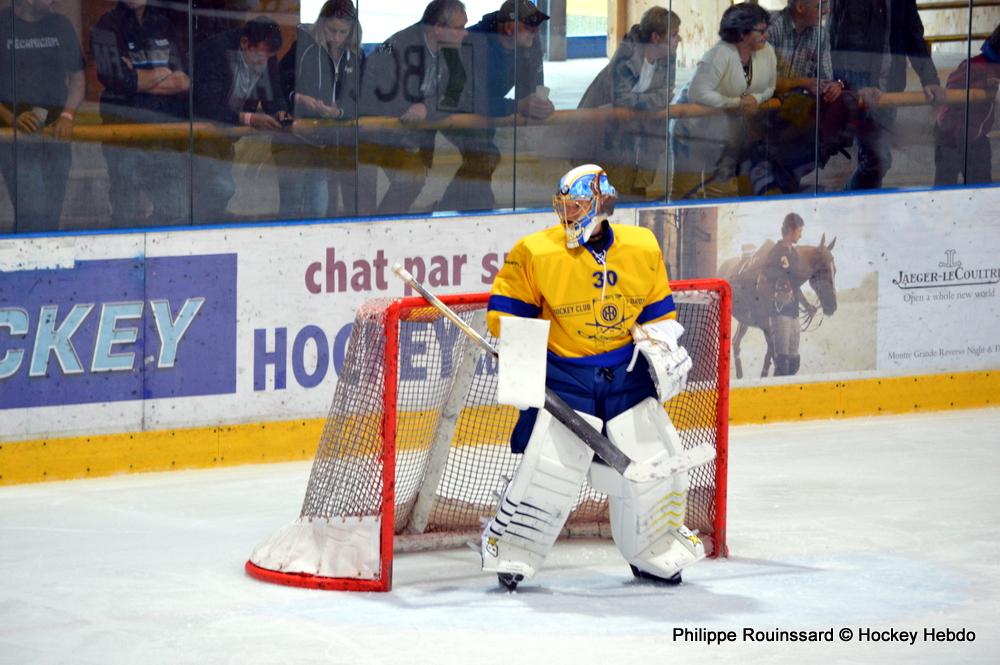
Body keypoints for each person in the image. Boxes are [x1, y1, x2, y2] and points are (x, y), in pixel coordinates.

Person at [481, 164, 699, 590]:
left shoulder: (642, 245)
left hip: (627, 378)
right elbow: (504, 317)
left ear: (601, 205)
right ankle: (513, 550)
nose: (567, 214)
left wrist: (661, 350)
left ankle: (653, 550)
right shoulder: (535, 251)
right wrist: (517, 352)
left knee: (653, 466)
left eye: (577, 205)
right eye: (563, 205)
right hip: (567, 380)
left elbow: (659, 316)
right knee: (547, 473)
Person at [358, 0, 470, 216]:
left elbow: (460, 94)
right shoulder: (399, 47)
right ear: (438, 27)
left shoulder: (452, 50)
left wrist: (427, 108)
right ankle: (370, 233)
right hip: (370, 134)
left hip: (406, 137)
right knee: (363, 204)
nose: (465, 34)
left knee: (413, 178)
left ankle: (384, 227)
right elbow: (380, 98)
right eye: (459, 28)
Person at [441, 0, 555, 211]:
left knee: (483, 160)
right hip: (451, 104)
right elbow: (474, 102)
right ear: (509, 28)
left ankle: (466, 208)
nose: (536, 31)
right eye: (530, 26)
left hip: (484, 104)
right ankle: (455, 208)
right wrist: (519, 106)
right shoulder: (473, 42)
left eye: (537, 26)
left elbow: (531, 92)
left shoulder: (529, 40)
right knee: (485, 155)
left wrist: (540, 105)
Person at [91, 0, 190, 228]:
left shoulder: (163, 24)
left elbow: (184, 80)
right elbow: (118, 81)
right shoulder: (107, 26)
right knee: (125, 211)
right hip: (126, 135)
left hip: (165, 132)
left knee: (175, 210)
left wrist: (138, 76)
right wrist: (163, 74)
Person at [829, 0, 945, 190]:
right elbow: (844, 39)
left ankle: (862, 205)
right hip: (859, 85)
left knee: (876, 159)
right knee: (878, 157)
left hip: (889, 85)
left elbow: (913, 33)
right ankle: (850, 201)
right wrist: (861, 86)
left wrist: (929, 78)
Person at [274, 0, 372, 218]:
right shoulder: (303, 47)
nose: (335, 37)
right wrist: (298, 99)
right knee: (292, 206)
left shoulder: (357, 55)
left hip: (330, 143)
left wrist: (340, 112)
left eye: (342, 32)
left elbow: (361, 96)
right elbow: (278, 84)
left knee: (319, 208)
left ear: (352, 30)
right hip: (296, 139)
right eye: (331, 30)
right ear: (321, 24)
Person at [669, 2, 776, 201]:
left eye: (766, 30)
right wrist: (737, 102)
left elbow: (770, 87)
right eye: (761, 31)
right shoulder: (718, 54)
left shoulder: (766, 52)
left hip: (725, 134)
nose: (766, 36)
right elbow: (698, 93)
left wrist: (756, 99)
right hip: (691, 131)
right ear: (742, 33)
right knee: (686, 191)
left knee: (722, 190)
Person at [191, 15, 290, 222]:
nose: (264, 65)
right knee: (219, 187)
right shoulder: (214, 53)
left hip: (226, 137)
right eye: (261, 58)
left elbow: (274, 96)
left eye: (269, 59)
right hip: (197, 135)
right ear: (245, 43)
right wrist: (248, 119)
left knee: (221, 191)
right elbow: (205, 106)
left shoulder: (266, 57)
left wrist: (280, 112)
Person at [578, 6, 681, 200]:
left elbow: (667, 92)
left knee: (637, 186)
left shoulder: (669, 55)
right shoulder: (627, 53)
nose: (679, 39)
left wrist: (647, 101)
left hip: (639, 136)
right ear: (655, 38)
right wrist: (655, 100)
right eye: (674, 34)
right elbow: (622, 99)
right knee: (609, 188)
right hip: (605, 132)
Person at [0, 0, 85, 233]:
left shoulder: (61, 24)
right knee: (32, 209)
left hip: (56, 133)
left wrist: (67, 115)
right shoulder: (3, 24)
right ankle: (27, 266)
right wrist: (11, 119)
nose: (53, 1)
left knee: (51, 212)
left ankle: (46, 268)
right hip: (16, 138)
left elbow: (78, 80)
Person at [934, 24, 1000, 186]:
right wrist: (984, 85)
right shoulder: (973, 65)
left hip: (976, 136)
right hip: (950, 135)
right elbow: (951, 91)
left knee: (981, 188)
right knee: (944, 186)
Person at [763, 212, 815, 376]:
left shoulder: (794, 254)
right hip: (779, 313)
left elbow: (795, 285)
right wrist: (775, 295)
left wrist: (807, 305)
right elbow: (763, 279)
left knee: (794, 363)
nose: (801, 234)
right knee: (782, 363)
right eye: (799, 231)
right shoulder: (776, 251)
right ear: (791, 230)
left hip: (793, 313)